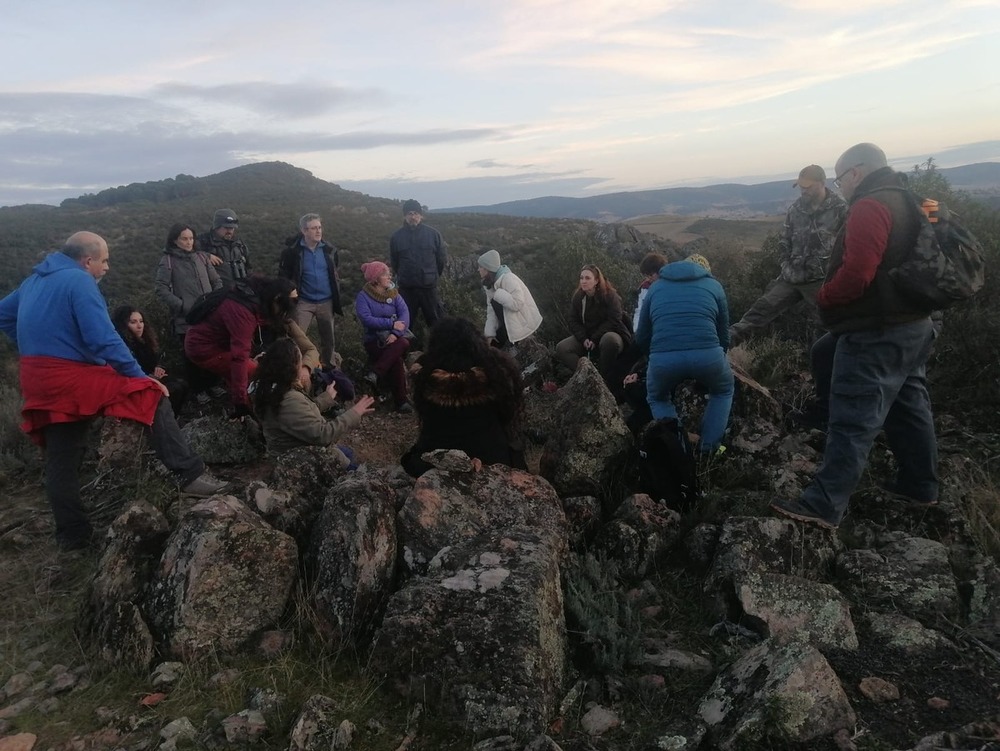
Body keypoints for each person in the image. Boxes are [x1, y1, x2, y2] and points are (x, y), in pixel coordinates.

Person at [0, 232, 229, 550]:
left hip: (36, 375)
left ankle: (73, 536)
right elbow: (104, 339)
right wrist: (141, 376)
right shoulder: (79, 282)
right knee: (149, 394)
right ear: (88, 260)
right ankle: (190, 476)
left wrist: (34, 345)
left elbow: (3, 314)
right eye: (104, 260)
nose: (107, 267)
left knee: (61, 456)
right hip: (70, 376)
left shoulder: (33, 280)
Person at [771, 143, 939, 530]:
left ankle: (824, 505)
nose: (841, 186)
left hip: (875, 330)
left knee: (853, 419)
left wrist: (826, 298)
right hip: (916, 324)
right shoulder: (918, 199)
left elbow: (857, 273)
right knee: (910, 404)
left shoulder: (869, 205)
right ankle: (921, 486)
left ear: (857, 173)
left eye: (841, 178)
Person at [729, 165, 848, 346]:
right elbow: (784, 241)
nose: (803, 190)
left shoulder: (841, 209)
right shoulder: (795, 209)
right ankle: (719, 346)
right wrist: (785, 265)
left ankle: (822, 371)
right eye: (801, 187)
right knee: (758, 313)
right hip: (790, 277)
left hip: (821, 281)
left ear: (822, 183)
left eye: (808, 186)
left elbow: (849, 245)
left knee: (825, 330)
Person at [401, 317, 526, 477]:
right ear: (477, 344)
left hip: (437, 465)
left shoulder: (426, 379)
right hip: (495, 460)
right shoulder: (496, 374)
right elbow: (507, 417)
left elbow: (428, 431)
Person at [635, 254, 733, 455]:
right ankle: (709, 450)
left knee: (658, 398)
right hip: (708, 356)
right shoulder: (714, 286)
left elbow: (642, 335)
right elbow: (724, 333)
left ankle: (680, 450)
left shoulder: (655, 288)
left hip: (663, 359)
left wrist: (653, 358)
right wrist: (718, 356)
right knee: (723, 390)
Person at [183, 275, 298, 418]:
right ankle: (253, 414)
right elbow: (239, 358)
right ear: (277, 299)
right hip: (204, 349)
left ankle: (251, 409)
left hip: (217, 343)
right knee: (255, 372)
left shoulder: (254, 296)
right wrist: (240, 402)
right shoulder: (242, 311)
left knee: (245, 371)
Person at [253, 338, 376, 469]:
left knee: (347, 452)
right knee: (358, 472)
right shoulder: (287, 399)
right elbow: (322, 435)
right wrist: (354, 413)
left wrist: (326, 398)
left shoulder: (274, 390)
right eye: (300, 363)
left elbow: (299, 416)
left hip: (292, 451)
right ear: (292, 367)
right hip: (302, 464)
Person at [154, 222, 224, 406]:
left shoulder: (201, 257)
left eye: (191, 238)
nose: (188, 242)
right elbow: (160, 288)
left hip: (209, 315)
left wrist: (215, 300)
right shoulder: (168, 261)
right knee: (191, 356)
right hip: (186, 318)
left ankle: (213, 384)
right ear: (175, 240)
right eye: (184, 239)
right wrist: (182, 306)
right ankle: (199, 389)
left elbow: (216, 280)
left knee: (213, 350)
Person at [278, 213, 342, 366]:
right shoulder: (292, 252)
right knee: (297, 338)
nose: (318, 231)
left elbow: (334, 272)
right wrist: (290, 290)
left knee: (328, 340)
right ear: (304, 231)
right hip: (303, 302)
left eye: (319, 227)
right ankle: (296, 369)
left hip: (326, 301)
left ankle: (328, 370)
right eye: (314, 228)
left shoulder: (329, 250)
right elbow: (283, 275)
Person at [555, 265, 631, 382]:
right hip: (588, 337)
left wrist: (595, 339)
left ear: (596, 281)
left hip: (611, 334)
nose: (583, 281)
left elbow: (614, 319)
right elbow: (573, 320)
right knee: (562, 348)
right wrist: (583, 338)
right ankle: (588, 376)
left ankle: (605, 378)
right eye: (581, 278)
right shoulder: (578, 297)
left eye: (587, 278)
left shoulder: (610, 296)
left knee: (609, 340)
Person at [354, 261, 413, 413]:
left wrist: (395, 334)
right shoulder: (363, 297)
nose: (389, 277)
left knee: (402, 343)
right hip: (374, 340)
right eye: (385, 274)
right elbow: (367, 319)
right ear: (376, 278)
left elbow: (405, 315)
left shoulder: (394, 294)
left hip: (394, 339)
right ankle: (401, 402)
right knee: (398, 357)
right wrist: (392, 324)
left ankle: (376, 373)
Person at [112, 305, 188, 416]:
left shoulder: (145, 341)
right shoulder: (124, 347)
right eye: (133, 322)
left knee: (182, 385)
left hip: (153, 377)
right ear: (124, 325)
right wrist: (149, 377)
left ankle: (173, 417)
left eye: (141, 321)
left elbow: (156, 360)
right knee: (174, 389)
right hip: (138, 384)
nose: (139, 326)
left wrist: (159, 368)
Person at [389, 199, 447, 331]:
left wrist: (432, 276)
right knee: (404, 326)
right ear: (405, 216)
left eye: (415, 213)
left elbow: (441, 260)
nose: (413, 217)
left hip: (428, 288)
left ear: (421, 215)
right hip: (407, 289)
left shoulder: (433, 235)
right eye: (409, 213)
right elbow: (395, 262)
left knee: (437, 325)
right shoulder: (396, 237)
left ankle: (439, 351)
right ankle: (405, 351)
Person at [477, 249, 542, 350]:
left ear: (487, 268)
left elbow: (517, 304)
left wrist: (498, 293)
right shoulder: (489, 284)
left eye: (480, 267)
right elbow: (491, 311)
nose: (478, 270)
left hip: (522, 324)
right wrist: (490, 334)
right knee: (489, 349)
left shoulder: (508, 278)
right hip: (507, 323)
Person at [198, 208, 251, 289]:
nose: (229, 231)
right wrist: (206, 256)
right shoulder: (203, 242)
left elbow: (248, 268)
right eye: (226, 228)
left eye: (232, 228)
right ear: (217, 226)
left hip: (239, 292)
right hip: (215, 293)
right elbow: (185, 256)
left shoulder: (240, 245)